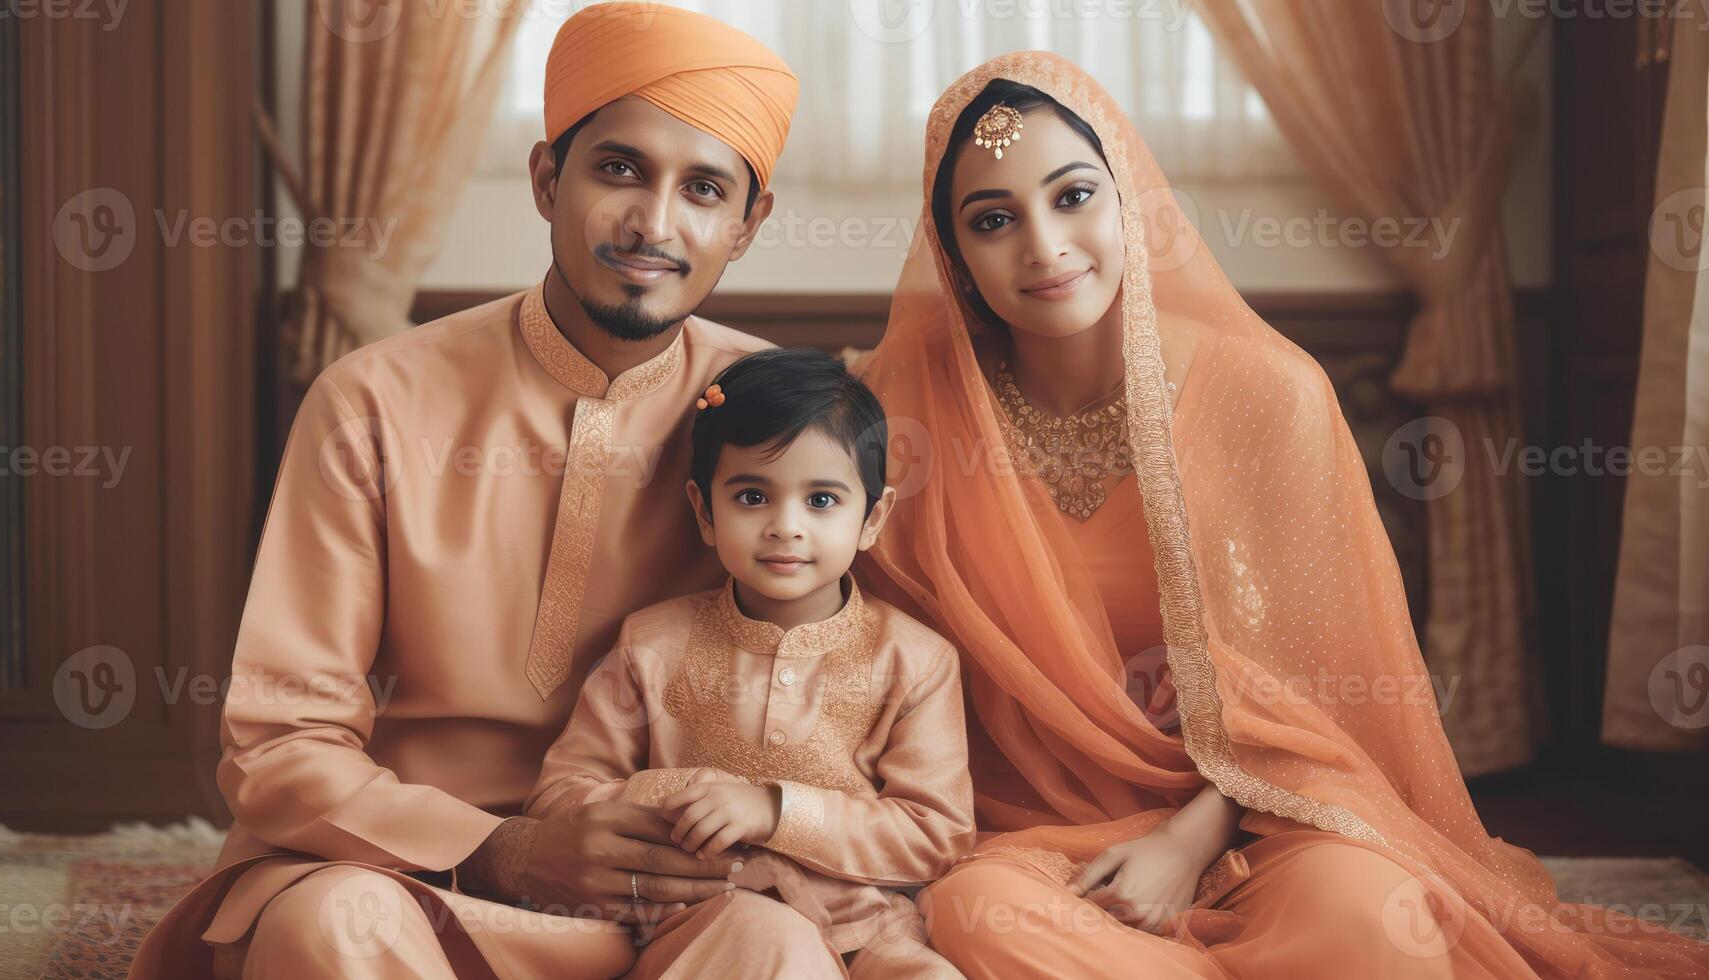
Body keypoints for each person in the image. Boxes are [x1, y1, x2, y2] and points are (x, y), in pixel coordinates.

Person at [856, 52, 1709, 978]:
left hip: (1266, 819)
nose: (1042, 245)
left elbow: (1326, 694)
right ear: (953, 254)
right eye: (992, 220)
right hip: (1034, 832)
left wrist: (1185, 845)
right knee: (978, 917)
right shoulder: (908, 410)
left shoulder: (1266, 392)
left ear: (1131, 197)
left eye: (1072, 196)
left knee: (1378, 919)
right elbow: (869, 664)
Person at [127, 5, 818, 977]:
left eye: (703, 188)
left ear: (747, 225)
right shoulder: (372, 398)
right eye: (618, 168)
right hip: (406, 878)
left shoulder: (783, 424)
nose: (653, 223)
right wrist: (501, 846)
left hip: (664, 903)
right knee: (329, 928)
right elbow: (280, 737)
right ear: (548, 179)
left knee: (776, 946)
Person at [528, 347, 973, 978]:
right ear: (705, 511)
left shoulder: (917, 660)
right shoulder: (652, 642)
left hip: (866, 932)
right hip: (701, 925)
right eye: (752, 496)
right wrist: (680, 796)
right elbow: (558, 798)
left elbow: (937, 835)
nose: (785, 526)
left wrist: (774, 808)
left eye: (821, 501)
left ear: (872, 518)